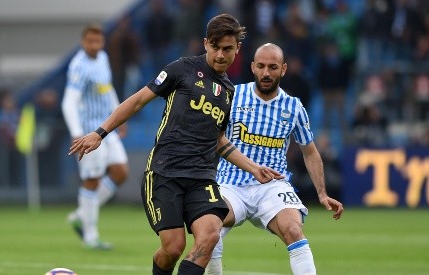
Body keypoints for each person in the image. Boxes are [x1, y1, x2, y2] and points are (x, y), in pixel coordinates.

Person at [68, 14, 281, 275]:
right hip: (164, 173)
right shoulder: (182, 69)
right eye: (216, 47)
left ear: (238, 49)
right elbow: (137, 101)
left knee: (210, 235)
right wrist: (99, 133)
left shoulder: (229, 92)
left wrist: (253, 168)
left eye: (228, 49)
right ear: (205, 44)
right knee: (173, 248)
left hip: (202, 177)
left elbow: (219, 141)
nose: (221, 55)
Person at [205, 43, 344, 275]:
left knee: (293, 229)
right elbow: (212, 137)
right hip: (230, 183)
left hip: (272, 186)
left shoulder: (294, 106)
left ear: (284, 69)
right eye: (261, 66)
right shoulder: (232, 95)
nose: (266, 73)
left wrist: (322, 193)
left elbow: (309, 151)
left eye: (272, 67)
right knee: (209, 225)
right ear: (252, 67)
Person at [61, 23, 129, 250]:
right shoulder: (79, 66)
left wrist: (119, 114)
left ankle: (82, 214)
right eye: (90, 41)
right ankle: (90, 236)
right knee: (92, 180)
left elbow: (107, 88)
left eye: (97, 41)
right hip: (89, 132)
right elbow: (69, 101)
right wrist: (77, 133)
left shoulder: (102, 58)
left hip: (106, 128)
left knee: (120, 172)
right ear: (83, 42)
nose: (94, 45)